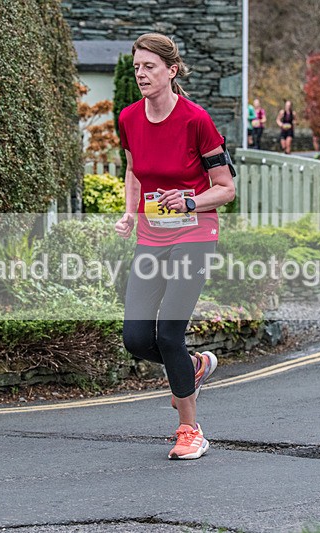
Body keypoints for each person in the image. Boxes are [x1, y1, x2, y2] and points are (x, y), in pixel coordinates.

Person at [115, 33, 235, 460]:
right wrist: (130, 212)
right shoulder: (129, 118)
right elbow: (134, 170)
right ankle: (194, 367)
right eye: (137, 67)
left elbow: (226, 188)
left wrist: (189, 200)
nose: (141, 74)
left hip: (195, 233)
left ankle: (190, 429)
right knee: (135, 337)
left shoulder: (196, 120)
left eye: (149, 66)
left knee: (169, 333)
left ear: (171, 70)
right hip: (152, 235)